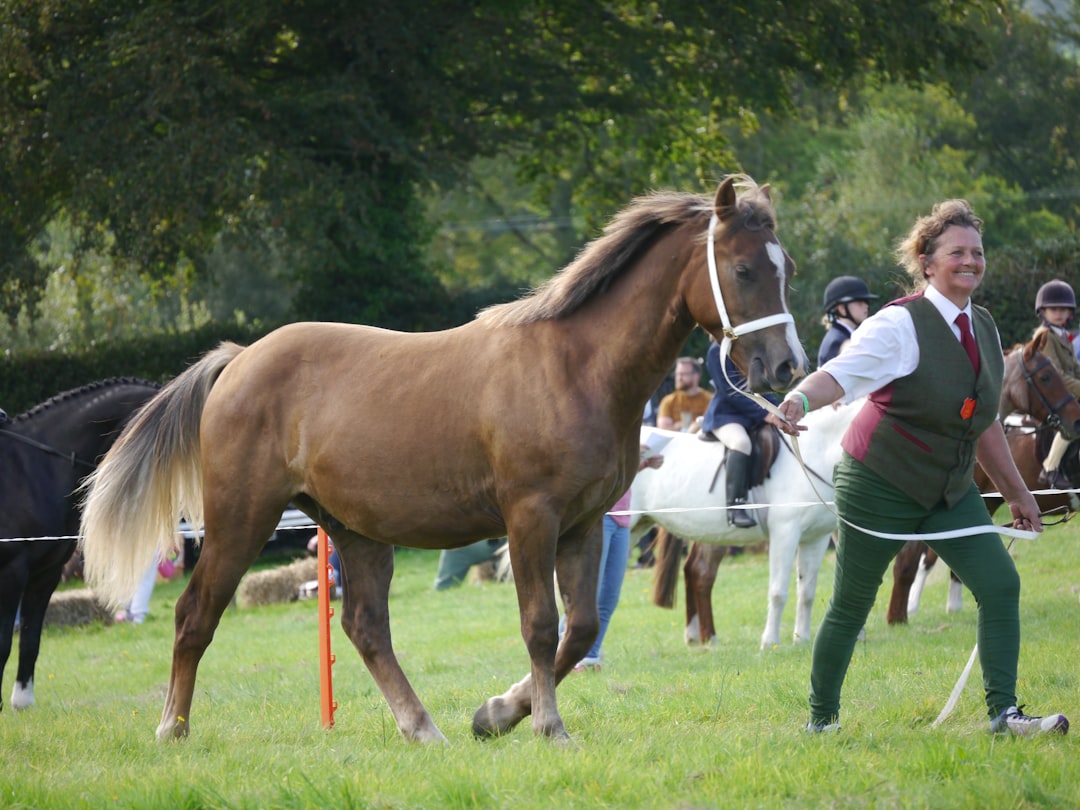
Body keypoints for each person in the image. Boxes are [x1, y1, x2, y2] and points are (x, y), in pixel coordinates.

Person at [769, 198, 1068, 737]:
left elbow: (985, 422)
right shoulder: (897, 324)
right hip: (878, 483)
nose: (971, 261)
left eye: (977, 252)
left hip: (949, 489)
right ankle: (821, 722)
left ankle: (1004, 715)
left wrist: (1018, 494)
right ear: (927, 263)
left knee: (1000, 584)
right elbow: (839, 374)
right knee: (852, 604)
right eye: (957, 252)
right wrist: (798, 401)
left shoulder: (984, 325)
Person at [568, 445, 664, 671]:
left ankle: (590, 656)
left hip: (622, 520)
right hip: (599, 518)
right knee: (587, 595)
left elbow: (618, 475)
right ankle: (567, 653)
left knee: (609, 597)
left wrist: (643, 464)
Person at [700, 340, 777, 528]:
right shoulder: (717, 351)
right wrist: (764, 413)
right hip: (727, 415)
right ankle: (735, 508)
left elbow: (762, 386)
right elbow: (730, 392)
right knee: (741, 443)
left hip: (753, 414)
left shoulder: (751, 346)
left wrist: (778, 409)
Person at [1030, 279, 1080, 489]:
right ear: (1043, 311)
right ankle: (1050, 467)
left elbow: (1075, 368)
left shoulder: (1063, 336)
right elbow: (1056, 374)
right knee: (1073, 420)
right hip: (1052, 394)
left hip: (1068, 392)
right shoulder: (1045, 336)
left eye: (1063, 310)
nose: (1059, 314)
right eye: (1053, 309)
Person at [818, 275, 878, 366]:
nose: (866, 306)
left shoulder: (845, 336)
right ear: (842, 308)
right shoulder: (837, 342)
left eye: (866, 301)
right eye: (860, 302)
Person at [657, 356, 712, 431]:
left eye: (683, 374)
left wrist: (676, 426)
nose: (679, 378)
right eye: (677, 374)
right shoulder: (668, 401)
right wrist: (692, 426)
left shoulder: (709, 400)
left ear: (696, 376)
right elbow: (663, 429)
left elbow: (710, 426)